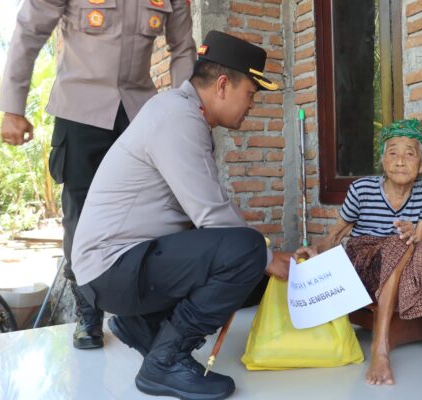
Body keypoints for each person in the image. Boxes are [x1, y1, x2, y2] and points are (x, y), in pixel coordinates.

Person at [71, 31, 308, 399]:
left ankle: (144, 327)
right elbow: (212, 215)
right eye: (251, 94)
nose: (251, 106)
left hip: (113, 268)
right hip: (113, 269)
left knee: (244, 253)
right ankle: (166, 361)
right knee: (246, 251)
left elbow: (206, 212)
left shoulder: (178, 113)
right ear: (224, 85)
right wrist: (267, 258)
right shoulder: (177, 118)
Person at [0, 0, 196, 350]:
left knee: (150, 214)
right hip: (80, 111)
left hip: (138, 114)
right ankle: (88, 313)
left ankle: (140, 311)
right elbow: (31, 29)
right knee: (80, 214)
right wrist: (13, 106)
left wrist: (184, 109)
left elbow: (182, 47)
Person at [315, 119, 422, 385]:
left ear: (421, 165)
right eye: (393, 153)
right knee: (398, 244)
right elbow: (336, 234)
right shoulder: (361, 188)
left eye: (409, 154)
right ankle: (380, 346)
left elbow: (418, 241)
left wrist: (412, 233)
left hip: (404, 255)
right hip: (364, 258)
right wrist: (316, 250)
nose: (401, 161)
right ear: (383, 162)